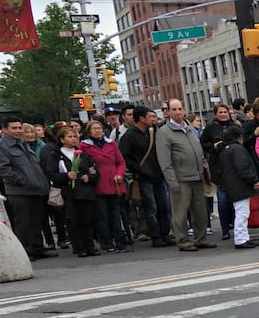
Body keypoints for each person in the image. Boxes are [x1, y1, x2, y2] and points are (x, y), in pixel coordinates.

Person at [156, 99, 214, 252]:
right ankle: (183, 240)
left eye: (180, 109)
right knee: (180, 212)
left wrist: (205, 169)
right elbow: (164, 161)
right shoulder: (164, 133)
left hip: (197, 176)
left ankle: (200, 238)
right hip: (181, 179)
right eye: (174, 109)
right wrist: (172, 182)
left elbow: (199, 152)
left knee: (201, 211)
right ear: (168, 111)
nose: (178, 112)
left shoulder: (189, 129)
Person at [0, 117, 57, 260]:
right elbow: (4, 169)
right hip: (19, 191)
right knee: (23, 223)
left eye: (19, 127)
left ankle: (37, 248)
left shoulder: (23, 143)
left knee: (37, 222)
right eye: (14, 128)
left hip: (35, 189)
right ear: (5, 130)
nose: (18, 130)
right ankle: (25, 251)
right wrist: (22, 181)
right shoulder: (2, 146)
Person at [119, 106, 173, 247]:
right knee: (151, 208)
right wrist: (139, 170)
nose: (153, 119)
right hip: (144, 178)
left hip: (159, 176)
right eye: (150, 116)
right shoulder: (129, 136)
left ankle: (165, 233)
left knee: (164, 207)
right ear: (142, 118)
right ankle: (156, 236)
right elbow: (125, 157)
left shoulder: (155, 132)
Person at [42, 125, 99, 257]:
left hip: (85, 191)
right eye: (70, 137)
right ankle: (79, 247)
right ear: (62, 139)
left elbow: (93, 170)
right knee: (73, 220)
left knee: (87, 220)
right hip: (69, 192)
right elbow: (51, 174)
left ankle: (90, 246)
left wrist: (89, 177)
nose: (73, 139)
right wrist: (66, 176)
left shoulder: (82, 154)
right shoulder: (56, 155)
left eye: (75, 136)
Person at [77, 120, 131, 253]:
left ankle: (120, 241)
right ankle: (107, 242)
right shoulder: (84, 146)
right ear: (89, 131)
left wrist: (120, 174)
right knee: (102, 215)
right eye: (94, 128)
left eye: (99, 128)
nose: (97, 130)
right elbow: (82, 164)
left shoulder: (111, 143)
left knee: (115, 214)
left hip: (114, 182)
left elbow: (121, 162)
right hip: (98, 183)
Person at [216, 124, 259, 249]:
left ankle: (243, 237)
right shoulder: (237, 149)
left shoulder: (225, 149)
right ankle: (241, 239)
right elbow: (243, 167)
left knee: (240, 212)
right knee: (242, 212)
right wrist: (253, 180)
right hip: (240, 185)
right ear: (239, 137)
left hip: (231, 184)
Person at [202, 103, 240, 239]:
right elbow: (203, 144)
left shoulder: (234, 127)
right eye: (221, 112)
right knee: (223, 200)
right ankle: (225, 229)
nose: (223, 114)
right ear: (215, 114)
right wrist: (213, 146)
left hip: (234, 167)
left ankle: (237, 227)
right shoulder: (210, 128)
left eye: (225, 112)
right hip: (219, 168)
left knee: (236, 200)